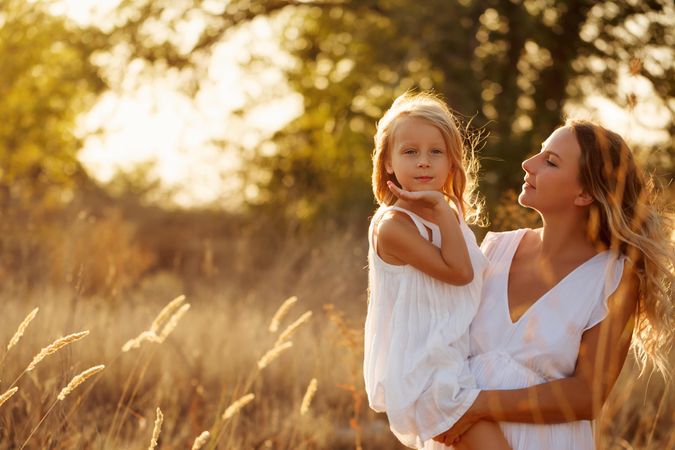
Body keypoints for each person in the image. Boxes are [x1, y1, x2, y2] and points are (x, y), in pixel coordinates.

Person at [430, 120, 674, 449]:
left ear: (585, 193)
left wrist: (477, 407)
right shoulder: (492, 250)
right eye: (540, 153)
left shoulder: (613, 279)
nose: (528, 164)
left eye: (551, 161)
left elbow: (586, 396)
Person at [363, 91, 511, 450]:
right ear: (387, 163)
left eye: (436, 152)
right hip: (427, 378)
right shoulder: (394, 226)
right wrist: (444, 212)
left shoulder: (447, 217)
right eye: (410, 152)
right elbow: (459, 273)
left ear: (451, 160)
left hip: (457, 365)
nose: (424, 162)